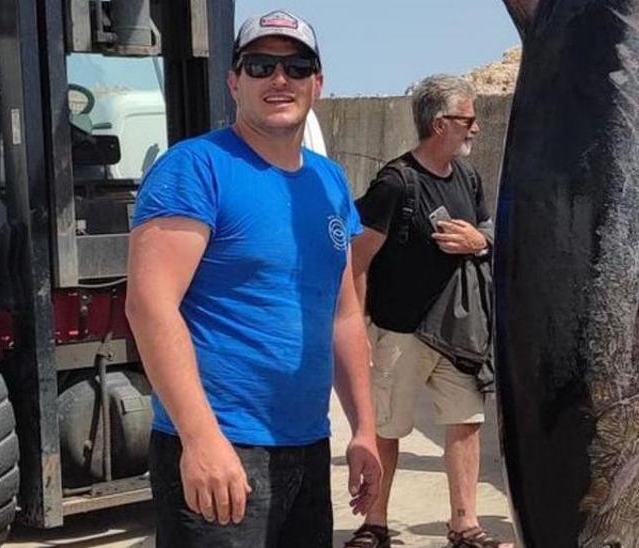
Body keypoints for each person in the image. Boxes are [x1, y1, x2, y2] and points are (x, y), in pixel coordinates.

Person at [126, 10, 381, 547]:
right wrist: (200, 439)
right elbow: (150, 308)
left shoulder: (328, 181)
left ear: (317, 82)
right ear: (234, 81)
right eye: (261, 65)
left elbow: (343, 313)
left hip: (308, 447)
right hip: (223, 448)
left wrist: (363, 428)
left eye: (296, 65)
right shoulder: (195, 168)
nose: (279, 79)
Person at [345, 75, 509, 548]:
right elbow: (358, 259)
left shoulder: (468, 178)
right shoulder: (396, 183)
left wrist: (482, 242)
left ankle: (465, 525)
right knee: (386, 432)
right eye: (468, 120)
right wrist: (358, 328)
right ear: (440, 124)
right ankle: (374, 525)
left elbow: (487, 232)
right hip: (401, 331)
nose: (475, 129)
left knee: (465, 427)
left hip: (459, 334)